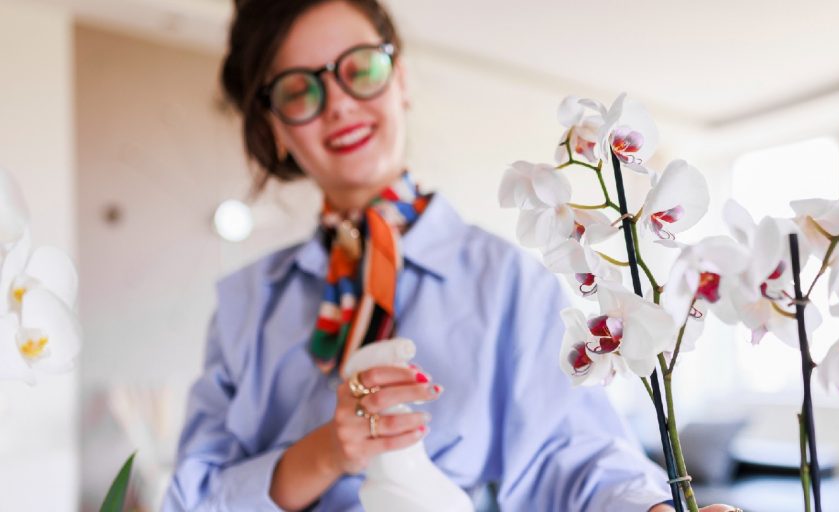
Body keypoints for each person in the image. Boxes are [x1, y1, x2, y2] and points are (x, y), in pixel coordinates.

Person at [162, 0, 736, 511]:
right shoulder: (244, 303)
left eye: (360, 69)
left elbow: (575, 457)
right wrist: (327, 451)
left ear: (401, 80)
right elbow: (190, 498)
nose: (337, 102)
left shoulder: (511, 281)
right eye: (298, 89)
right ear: (275, 127)